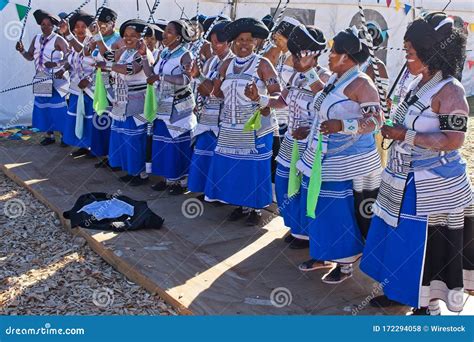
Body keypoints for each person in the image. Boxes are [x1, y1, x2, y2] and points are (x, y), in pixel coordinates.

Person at [360, 12, 474, 315]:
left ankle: (425, 304)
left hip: (431, 183)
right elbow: (407, 119)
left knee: (421, 246)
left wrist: (404, 134)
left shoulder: (450, 90)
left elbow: (453, 140)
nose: (405, 54)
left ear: (429, 50)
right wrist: (394, 120)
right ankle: (399, 291)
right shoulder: (416, 82)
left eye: (410, 49)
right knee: (396, 238)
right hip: (401, 176)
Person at [296, 27, 383, 282]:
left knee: (338, 210)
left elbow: (376, 120)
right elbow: (323, 96)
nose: (329, 56)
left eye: (333, 52)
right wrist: (307, 70)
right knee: (320, 206)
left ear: (347, 56)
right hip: (322, 154)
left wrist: (342, 126)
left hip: (348, 160)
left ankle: (345, 263)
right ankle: (324, 252)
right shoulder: (337, 79)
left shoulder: (362, 83)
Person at [248, 24, 330, 248]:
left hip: (311, 144)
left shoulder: (325, 78)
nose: (292, 57)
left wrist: (311, 129)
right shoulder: (295, 76)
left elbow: (328, 107)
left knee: (305, 188)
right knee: (285, 184)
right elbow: (282, 101)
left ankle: (306, 234)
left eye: (296, 53)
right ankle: (295, 226)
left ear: (311, 55)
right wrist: (260, 99)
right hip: (291, 141)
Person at [204, 18, 281, 226]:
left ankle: (255, 210)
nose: (244, 44)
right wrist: (203, 79)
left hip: (256, 128)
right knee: (233, 167)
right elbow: (217, 94)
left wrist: (259, 98)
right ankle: (239, 204)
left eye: (248, 40)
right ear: (232, 43)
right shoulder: (226, 64)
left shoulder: (263, 65)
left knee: (253, 170)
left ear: (256, 43)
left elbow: (280, 98)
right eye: (239, 40)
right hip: (230, 125)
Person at [143, 20, 197, 195]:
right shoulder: (164, 52)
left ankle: (180, 181)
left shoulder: (185, 55)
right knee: (162, 142)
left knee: (177, 144)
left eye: (169, 32)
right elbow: (151, 74)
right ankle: (167, 178)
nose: (164, 34)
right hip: (162, 104)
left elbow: (187, 79)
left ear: (179, 36)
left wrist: (161, 78)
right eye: (165, 31)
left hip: (179, 106)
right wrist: (144, 55)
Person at [97, 19, 152, 186]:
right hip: (121, 101)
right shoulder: (125, 51)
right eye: (126, 35)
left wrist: (108, 65)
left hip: (137, 104)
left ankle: (140, 173)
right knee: (122, 137)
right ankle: (130, 170)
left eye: (133, 36)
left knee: (135, 139)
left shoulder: (144, 54)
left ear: (142, 38)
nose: (128, 39)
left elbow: (131, 70)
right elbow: (106, 55)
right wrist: (97, 38)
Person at [188, 21, 233, 194]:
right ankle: (208, 191)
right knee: (204, 154)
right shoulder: (211, 61)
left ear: (228, 42)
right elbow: (203, 89)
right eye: (212, 42)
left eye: (218, 43)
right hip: (206, 115)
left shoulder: (231, 63)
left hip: (222, 119)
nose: (214, 47)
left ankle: (218, 194)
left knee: (218, 159)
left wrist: (199, 78)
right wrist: (199, 80)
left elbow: (215, 92)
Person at [16, 10, 69, 146]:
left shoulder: (59, 39)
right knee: (44, 108)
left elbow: (71, 58)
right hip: (41, 77)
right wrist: (21, 50)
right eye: (43, 24)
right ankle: (49, 135)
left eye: (48, 24)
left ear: (53, 26)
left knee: (58, 108)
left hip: (56, 78)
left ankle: (64, 136)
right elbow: (29, 56)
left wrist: (56, 64)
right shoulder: (36, 38)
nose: (45, 27)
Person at [86, 6, 125, 169]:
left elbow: (110, 57)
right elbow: (88, 54)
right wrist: (90, 41)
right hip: (99, 83)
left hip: (114, 85)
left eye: (104, 23)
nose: (101, 26)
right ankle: (103, 153)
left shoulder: (119, 39)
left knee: (112, 122)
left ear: (113, 23)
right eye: (99, 23)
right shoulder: (96, 37)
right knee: (100, 118)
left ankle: (114, 156)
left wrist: (97, 38)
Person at [58, 11, 98, 158]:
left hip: (90, 89)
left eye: (83, 26)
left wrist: (90, 80)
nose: (80, 29)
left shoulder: (93, 42)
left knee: (89, 117)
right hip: (76, 88)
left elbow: (98, 64)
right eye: (77, 26)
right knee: (77, 116)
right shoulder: (71, 43)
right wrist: (62, 69)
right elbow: (71, 61)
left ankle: (94, 147)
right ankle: (83, 145)